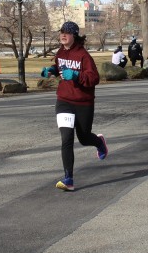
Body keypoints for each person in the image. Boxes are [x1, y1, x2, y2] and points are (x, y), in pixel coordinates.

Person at [41, 21, 108, 191]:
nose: (63, 35)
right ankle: (68, 179)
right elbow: (59, 67)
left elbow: (94, 78)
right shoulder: (60, 52)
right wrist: (51, 70)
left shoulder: (83, 56)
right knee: (67, 138)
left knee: (84, 138)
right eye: (62, 32)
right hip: (64, 100)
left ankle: (99, 142)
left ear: (75, 36)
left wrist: (77, 75)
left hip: (83, 102)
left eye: (68, 32)